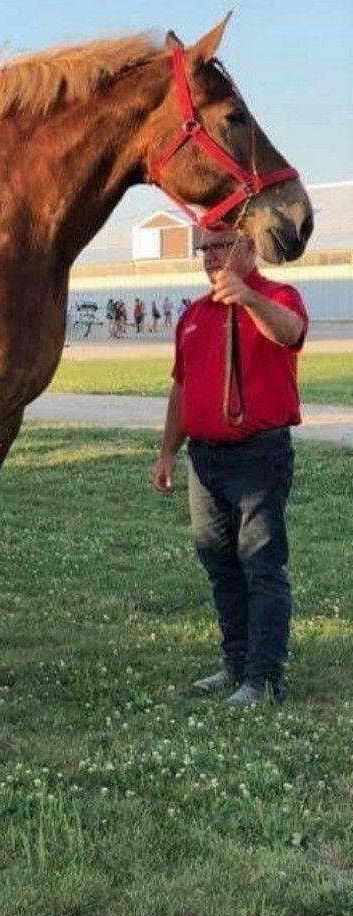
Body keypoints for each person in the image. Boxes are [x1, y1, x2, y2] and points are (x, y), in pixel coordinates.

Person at [150, 225, 307, 706]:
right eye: (205, 248)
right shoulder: (195, 315)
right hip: (205, 458)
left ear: (250, 247)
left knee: (260, 563)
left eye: (223, 245)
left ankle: (264, 678)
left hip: (258, 454)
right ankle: (235, 663)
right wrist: (166, 451)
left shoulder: (277, 296)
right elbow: (182, 387)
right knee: (218, 563)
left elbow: (290, 333)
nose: (211, 256)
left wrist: (249, 300)